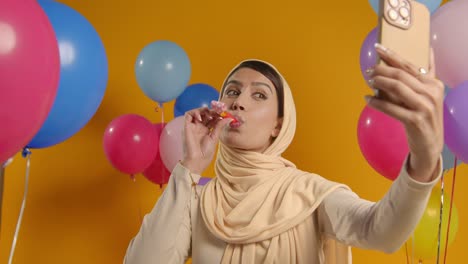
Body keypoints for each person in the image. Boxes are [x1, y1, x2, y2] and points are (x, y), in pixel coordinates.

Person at [124, 43, 444, 263]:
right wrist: (190, 167)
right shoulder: (196, 202)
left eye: (258, 95)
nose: (238, 101)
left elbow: (382, 232)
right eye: (232, 91)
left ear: (279, 124)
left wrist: (424, 157)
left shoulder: (310, 194)